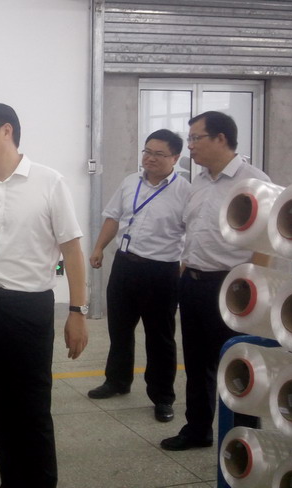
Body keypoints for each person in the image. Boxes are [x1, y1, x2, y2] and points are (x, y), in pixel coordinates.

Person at [0, 102, 88, 488]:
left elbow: (72, 251)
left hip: (29, 307)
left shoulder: (49, 182)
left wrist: (77, 311)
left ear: (6, 130)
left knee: (31, 408)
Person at [161, 111, 270, 452]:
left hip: (233, 286)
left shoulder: (254, 182)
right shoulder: (199, 182)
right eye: (190, 139)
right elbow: (195, 231)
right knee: (197, 363)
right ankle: (197, 429)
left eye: (196, 138)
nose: (190, 146)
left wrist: (250, 287)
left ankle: (244, 438)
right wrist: (184, 270)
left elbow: (266, 242)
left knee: (238, 364)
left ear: (221, 138)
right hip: (194, 282)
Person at [87, 129, 190, 424]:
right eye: (147, 152)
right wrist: (99, 247)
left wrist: (184, 269)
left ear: (175, 158)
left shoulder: (185, 192)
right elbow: (113, 217)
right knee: (119, 329)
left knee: (160, 338)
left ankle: (162, 397)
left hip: (162, 271)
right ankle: (117, 381)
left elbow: (193, 234)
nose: (150, 158)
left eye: (159, 154)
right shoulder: (130, 182)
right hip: (125, 265)